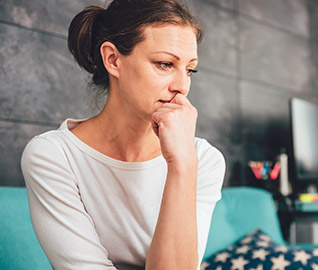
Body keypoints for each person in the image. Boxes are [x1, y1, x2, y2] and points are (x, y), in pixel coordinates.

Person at [20, 0, 225, 269]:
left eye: (189, 70)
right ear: (113, 60)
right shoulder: (53, 156)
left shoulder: (203, 159)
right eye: (164, 64)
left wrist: (182, 165)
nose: (182, 86)